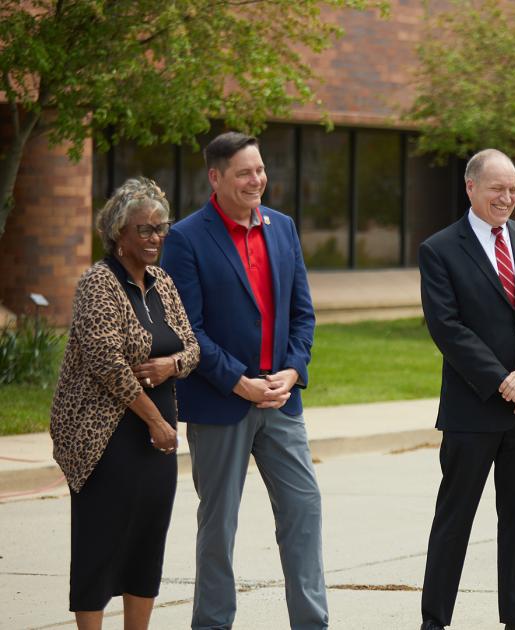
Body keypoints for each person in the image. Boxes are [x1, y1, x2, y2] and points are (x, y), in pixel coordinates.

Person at [160, 131, 324, 630]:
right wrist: (239, 382)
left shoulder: (283, 228)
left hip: (281, 402)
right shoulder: (186, 238)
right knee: (218, 523)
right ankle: (212, 624)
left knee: (304, 510)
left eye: (260, 170)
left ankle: (312, 623)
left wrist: (292, 371)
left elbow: (302, 313)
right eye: (244, 173)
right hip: (220, 403)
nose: (257, 180)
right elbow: (187, 328)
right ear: (216, 177)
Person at [418, 149, 515, 630]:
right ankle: (434, 620)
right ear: (470, 187)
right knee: (454, 520)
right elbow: (447, 327)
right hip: (473, 408)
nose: (506, 198)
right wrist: (502, 380)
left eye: (513, 189)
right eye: (496, 188)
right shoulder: (440, 249)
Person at [50, 177, 200, 630]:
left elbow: (192, 347)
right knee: (100, 541)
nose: (156, 238)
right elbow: (106, 361)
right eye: (145, 229)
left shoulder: (162, 282)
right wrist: (156, 421)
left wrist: (169, 366)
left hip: (157, 436)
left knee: (147, 540)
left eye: (161, 228)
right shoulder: (98, 283)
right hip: (106, 435)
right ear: (119, 233)